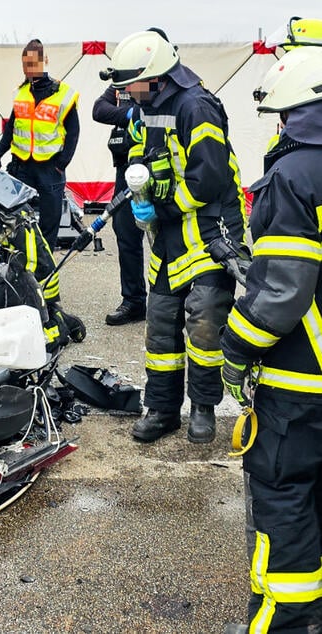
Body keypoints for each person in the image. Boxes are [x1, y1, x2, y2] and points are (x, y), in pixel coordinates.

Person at [101, 30, 247, 444]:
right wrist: (139, 192)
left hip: (208, 233)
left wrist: (161, 206)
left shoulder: (196, 107)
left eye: (131, 83)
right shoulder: (143, 108)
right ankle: (163, 409)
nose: (126, 91)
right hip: (167, 236)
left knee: (203, 324)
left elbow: (209, 181)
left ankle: (203, 408)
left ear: (156, 76)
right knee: (161, 325)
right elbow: (135, 154)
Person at [221, 46, 322, 633]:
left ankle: (285, 624)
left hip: (301, 384)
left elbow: (280, 296)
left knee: (285, 500)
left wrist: (235, 353)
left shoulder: (292, 177)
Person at [0, 39, 80, 253]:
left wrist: (62, 163)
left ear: (44, 61)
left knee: (49, 225)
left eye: (32, 64)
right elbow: (11, 129)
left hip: (51, 169)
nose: (28, 69)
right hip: (22, 167)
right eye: (25, 65)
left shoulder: (63, 94)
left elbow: (74, 132)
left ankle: (45, 272)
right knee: (17, 221)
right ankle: (22, 265)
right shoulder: (20, 93)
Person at [92, 84, 146, 325]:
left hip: (156, 165)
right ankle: (134, 302)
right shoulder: (121, 82)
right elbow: (99, 110)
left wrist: (135, 111)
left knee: (167, 238)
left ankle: (172, 302)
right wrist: (128, 114)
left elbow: (151, 109)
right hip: (125, 169)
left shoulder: (158, 79)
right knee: (125, 233)